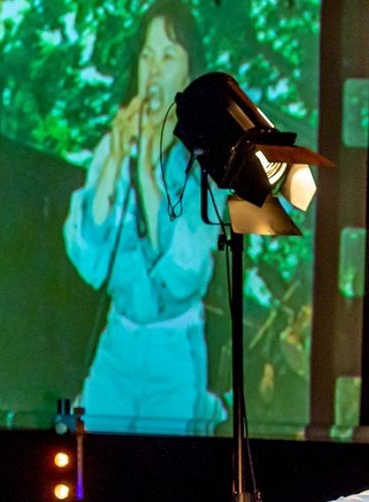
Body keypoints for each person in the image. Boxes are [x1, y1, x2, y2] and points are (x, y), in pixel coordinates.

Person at [63, 0, 224, 435]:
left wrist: (147, 172)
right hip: (117, 341)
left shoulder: (206, 161)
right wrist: (116, 159)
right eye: (146, 55)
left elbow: (184, 270)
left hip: (174, 349)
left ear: (189, 76)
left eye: (168, 55)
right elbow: (87, 256)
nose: (153, 69)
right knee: (92, 464)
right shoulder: (114, 146)